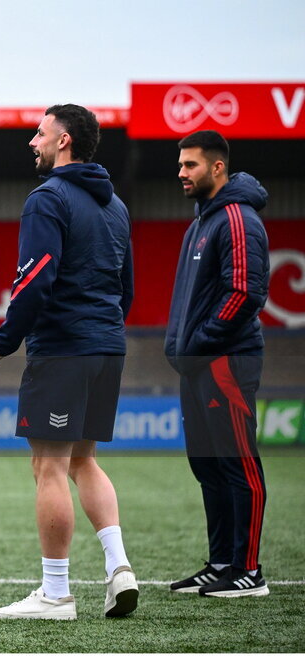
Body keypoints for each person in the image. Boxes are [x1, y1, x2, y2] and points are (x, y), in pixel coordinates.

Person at [0, 105, 137, 620]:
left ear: (63, 142)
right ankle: (120, 568)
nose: (31, 141)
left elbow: (36, 279)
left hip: (63, 348)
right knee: (83, 459)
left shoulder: (47, 198)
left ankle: (56, 593)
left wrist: (2, 343)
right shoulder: (117, 208)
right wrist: (101, 330)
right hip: (106, 346)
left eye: (40, 133)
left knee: (49, 465)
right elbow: (124, 288)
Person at [165, 130, 270, 598]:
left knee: (237, 464)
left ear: (217, 167)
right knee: (207, 464)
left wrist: (203, 343)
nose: (182, 172)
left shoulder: (237, 218)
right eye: (181, 164)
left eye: (191, 165)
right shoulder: (201, 222)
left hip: (226, 360)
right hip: (197, 365)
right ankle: (223, 561)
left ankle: (248, 572)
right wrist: (181, 350)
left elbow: (245, 292)